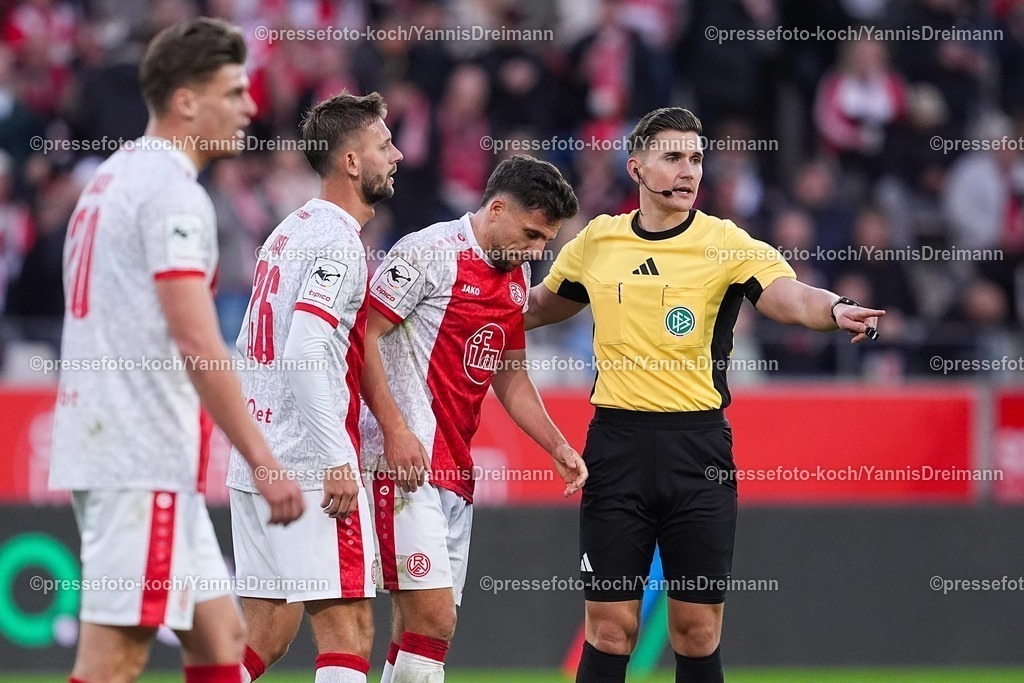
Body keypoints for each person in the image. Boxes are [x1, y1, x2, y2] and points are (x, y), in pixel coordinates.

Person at [525, 107, 884, 683]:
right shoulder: (598, 240)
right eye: (673, 157)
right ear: (636, 166)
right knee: (610, 627)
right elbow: (542, 306)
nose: (688, 170)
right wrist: (469, 307)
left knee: (697, 631)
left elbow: (787, 296)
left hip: (698, 453)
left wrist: (835, 308)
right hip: (617, 448)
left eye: (695, 158)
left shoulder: (725, 243)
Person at [48, 18, 305, 683]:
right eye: (234, 90)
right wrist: (262, 458)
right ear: (187, 100)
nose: (251, 106)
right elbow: (196, 337)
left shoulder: (111, 177)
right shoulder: (172, 192)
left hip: (123, 445)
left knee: (221, 642)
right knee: (114, 661)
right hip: (141, 455)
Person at [360, 155, 588, 682]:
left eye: (544, 242)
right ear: (497, 208)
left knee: (423, 630)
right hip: (405, 463)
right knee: (433, 620)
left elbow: (509, 373)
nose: (535, 251)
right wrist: (395, 430)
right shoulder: (427, 253)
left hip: (455, 472)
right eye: (531, 234)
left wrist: (555, 445)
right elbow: (363, 336)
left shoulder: (514, 276)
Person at [226, 91, 403, 683]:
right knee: (349, 630)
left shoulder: (288, 230)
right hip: (306, 463)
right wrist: (336, 459)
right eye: (383, 145)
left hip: (257, 460)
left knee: (265, 632)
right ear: (351, 161)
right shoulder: (338, 241)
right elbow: (303, 350)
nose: (397, 155)